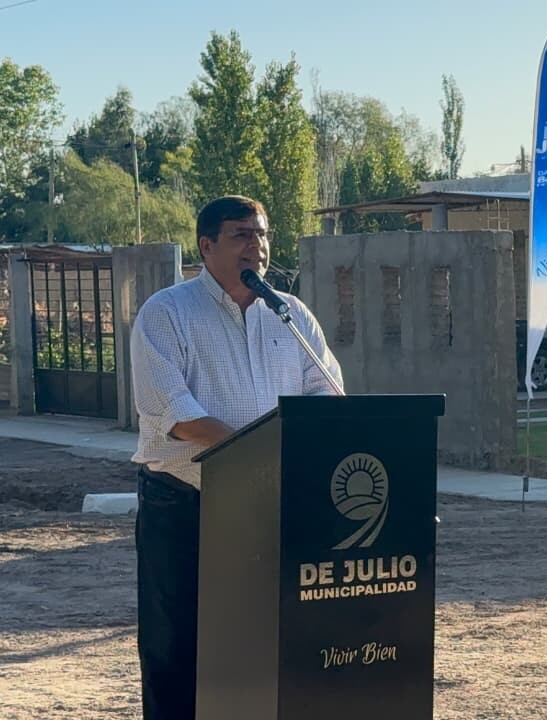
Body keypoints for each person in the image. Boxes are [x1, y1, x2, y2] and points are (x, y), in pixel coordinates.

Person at [129, 195, 343, 719]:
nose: (258, 246)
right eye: (242, 235)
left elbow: (326, 393)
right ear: (207, 246)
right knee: (178, 648)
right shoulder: (167, 312)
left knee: (256, 643)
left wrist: (286, 459)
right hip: (184, 507)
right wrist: (262, 452)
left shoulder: (290, 315)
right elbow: (174, 413)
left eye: (263, 234)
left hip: (265, 506)